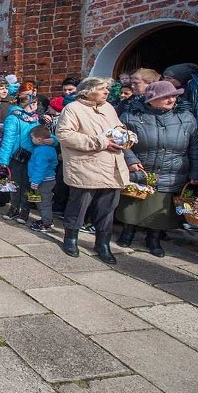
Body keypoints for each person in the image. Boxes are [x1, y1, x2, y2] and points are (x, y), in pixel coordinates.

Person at [117, 81, 198, 256]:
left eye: (173, 96)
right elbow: (121, 139)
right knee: (133, 202)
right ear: (152, 99)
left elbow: (197, 146)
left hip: (172, 170)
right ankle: (127, 232)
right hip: (142, 168)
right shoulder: (131, 116)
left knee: (160, 209)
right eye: (166, 97)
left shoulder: (186, 117)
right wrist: (131, 159)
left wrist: (196, 173)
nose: (172, 99)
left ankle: (153, 238)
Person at [55, 77, 130, 264]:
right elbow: (64, 135)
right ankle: (71, 238)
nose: (106, 92)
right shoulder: (73, 109)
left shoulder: (108, 108)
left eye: (107, 89)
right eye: (102, 89)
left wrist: (126, 137)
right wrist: (100, 142)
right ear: (87, 91)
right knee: (79, 205)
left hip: (111, 167)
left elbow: (118, 128)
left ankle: (103, 243)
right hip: (86, 166)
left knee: (107, 207)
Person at [0, 94, 43, 223]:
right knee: (15, 184)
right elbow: (8, 139)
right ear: (29, 104)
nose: (37, 106)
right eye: (35, 103)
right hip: (16, 157)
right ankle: (14, 208)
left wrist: (53, 141)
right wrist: (4, 159)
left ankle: (25, 210)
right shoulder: (13, 118)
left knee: (28, 186)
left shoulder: (35, 119)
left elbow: (42, 135)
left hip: (31, 157)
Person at [27, 125, 58, 232]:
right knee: (40, 201)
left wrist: (35, 181)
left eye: (32, 138)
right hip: (44, 180)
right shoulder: (48, 149)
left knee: (44, 202)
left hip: (43, 181)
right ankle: (45, 219)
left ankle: (47, 223)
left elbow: (40, 168)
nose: (31, 140)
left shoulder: (42, 151)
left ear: (39, 139)